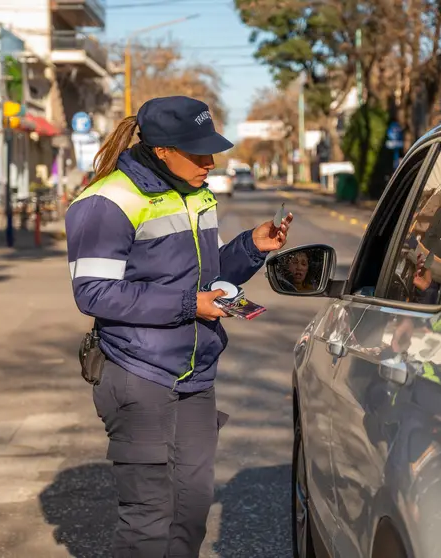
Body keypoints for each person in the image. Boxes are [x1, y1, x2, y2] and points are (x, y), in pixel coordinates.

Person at [64, 96, 293, 558]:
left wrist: (252, 246)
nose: (210, 162)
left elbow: (212, 277)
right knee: (148, 524)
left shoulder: (196, 195)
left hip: (195, 375)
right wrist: (190, 304)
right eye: (198, 152)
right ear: (162, 150)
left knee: (189, 515)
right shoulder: (106, 202)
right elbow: (93, 293)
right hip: (138, 375)